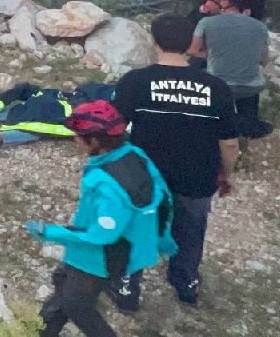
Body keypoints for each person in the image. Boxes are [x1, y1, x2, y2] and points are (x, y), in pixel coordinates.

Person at [112, 14, 239, 308]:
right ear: (190, 45)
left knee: (138, 229)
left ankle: (128, 289)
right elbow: (230, 142)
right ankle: (186, 283)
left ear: (153, 40)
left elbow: (114, 130)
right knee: (191, 230)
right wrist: (226, 174)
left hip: (146, 178)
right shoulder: (216, 87)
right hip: (197, 177)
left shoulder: (136, 81)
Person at [24, 101, 176, 337]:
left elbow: (101, 235)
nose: (75, 140)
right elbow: (163, 196)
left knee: (77, 305)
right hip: (113, 251)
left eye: (78, 136)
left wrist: (48, 232)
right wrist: (163, 239)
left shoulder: (106, 185)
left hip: (99, 259)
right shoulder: (134, 154)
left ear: (95, 141)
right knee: (63, 287)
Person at [188, 0, 273, 139]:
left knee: (197, 69)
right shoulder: (260, 26)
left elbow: (192, 51)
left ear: (224, 1)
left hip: (219, 86)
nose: (206, 3)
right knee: (247, 85)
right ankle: (249, 124)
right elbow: (264, 60)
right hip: (251, 88)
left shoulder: (206, 23)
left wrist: (211, 54)